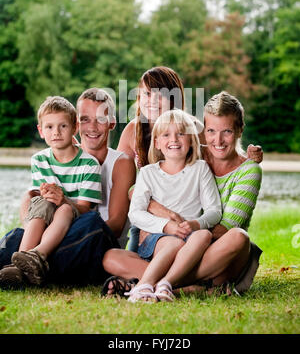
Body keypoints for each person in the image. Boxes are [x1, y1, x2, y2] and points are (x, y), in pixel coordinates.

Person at [102, 77, 263, 296]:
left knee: (238, 237)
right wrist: (160, 219)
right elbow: (131, 188)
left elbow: (222, 228)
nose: (218, 140)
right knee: (111, 257)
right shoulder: (193, 155)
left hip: (209, 246)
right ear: (203, 133)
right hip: (167, 240)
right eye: (211, 131)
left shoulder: (205, 164)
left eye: (227, 131)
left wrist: (188, 230)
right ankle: (189, 288)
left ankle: (151, 283)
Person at [0, 88, 136, 288]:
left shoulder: (120, 162)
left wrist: (64, 207)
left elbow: (114, 226)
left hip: (94, 239)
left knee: (91, 220)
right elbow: (33, 201)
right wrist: (38, 227)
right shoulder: (61, 155)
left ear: (111, 123)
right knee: (14, 238)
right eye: (85, 119)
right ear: (76, 124)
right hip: (57, 236)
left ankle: (37, 264)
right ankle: (28, 265)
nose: (92, 127)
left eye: (100, 119)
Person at [124, 109, 222, 302]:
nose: (174, 139)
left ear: (192, 140)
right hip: (156, 238)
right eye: (166, 134)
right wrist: (165, 226)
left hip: (189, 236)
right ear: (157, 142)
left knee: (204, 234)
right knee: (172, 242)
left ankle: (165, 284)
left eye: (180, 133)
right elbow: (135, 213)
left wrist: (196, 224)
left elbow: (214, 211)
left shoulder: (200, 169)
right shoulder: (148, 173)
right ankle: (144, 285)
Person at [3, 96, 102, 286]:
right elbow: (39, 202)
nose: (56, 132)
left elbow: (84, 208)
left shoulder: (89, 164)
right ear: (41, 131)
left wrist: (64, 200)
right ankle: (21, 263)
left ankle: (38, 255)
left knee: (64, 208)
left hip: (74, 224)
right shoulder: (39, 160)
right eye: (49, 127)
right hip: (46, 220)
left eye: (63, 126)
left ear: (75, 128)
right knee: (41, 201)